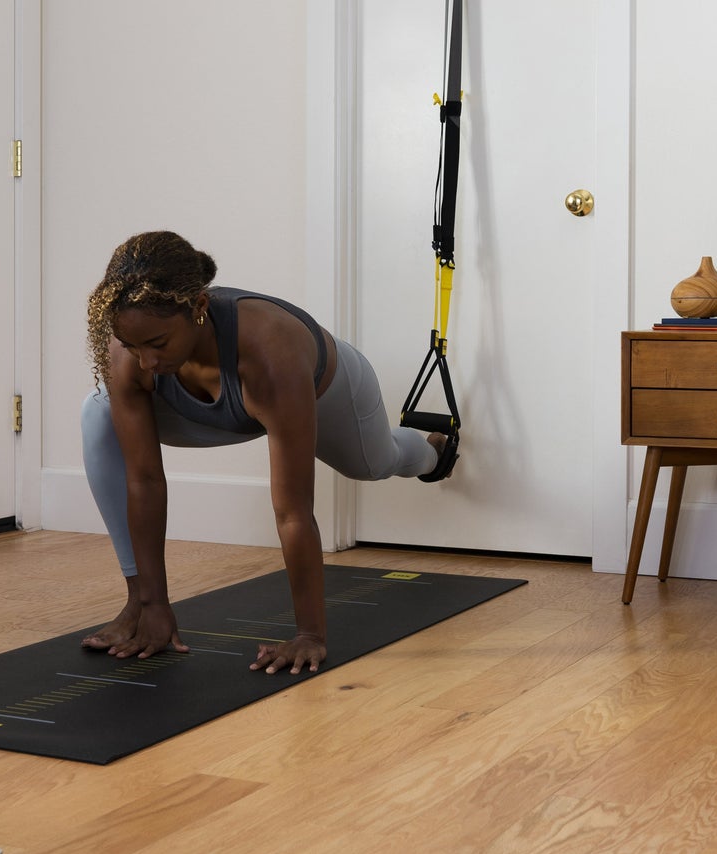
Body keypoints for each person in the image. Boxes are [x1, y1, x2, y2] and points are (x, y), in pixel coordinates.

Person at [80, 230, 452, 675]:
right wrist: (153, 604)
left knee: (377, 463)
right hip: (227, 406)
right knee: (97, 412)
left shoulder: (271, 351)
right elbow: (143, 479)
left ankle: (430, 452)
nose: (145, 362)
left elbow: (293, 512)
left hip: (326, 394)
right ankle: (137, 604)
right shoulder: (131, 351)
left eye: (157, 345)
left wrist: (310, 635)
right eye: (132, 346)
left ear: (198, 308)